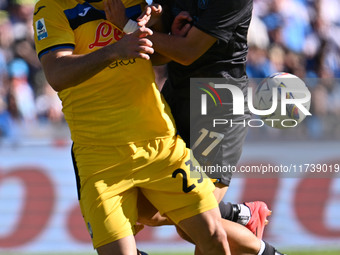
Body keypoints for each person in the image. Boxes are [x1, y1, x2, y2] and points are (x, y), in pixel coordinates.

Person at [32, 0, 232, 255]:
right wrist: (114, 50)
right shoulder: (52, 7)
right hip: (100, 160)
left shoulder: (136, 2)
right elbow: (57, 74)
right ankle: (245, 220)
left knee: (215, 237)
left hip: (161, 144)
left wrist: (157, 28)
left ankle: (251, 231)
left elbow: (154, 56)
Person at [105, 0, 287, 254]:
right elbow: (159, 56)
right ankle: (239, 214)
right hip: (177, 99)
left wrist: (128, 27)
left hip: (219, 105)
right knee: (144, 209)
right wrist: (152, 25)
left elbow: (188, 51)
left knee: (196, 225)